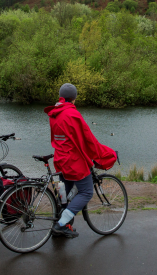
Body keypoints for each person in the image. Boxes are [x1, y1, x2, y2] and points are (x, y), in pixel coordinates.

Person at [44, 83, 117, 238]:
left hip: (61, 159)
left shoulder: (54, 114)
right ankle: (61, 224)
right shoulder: (72, 115)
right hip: (73, 162)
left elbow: (70, 139)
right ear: (74, 98)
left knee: (66, 194)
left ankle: (62, 223)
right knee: (86, 191)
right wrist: (108, 153)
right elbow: (89, 141)